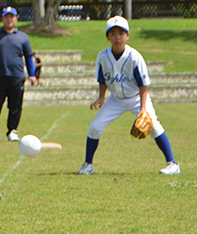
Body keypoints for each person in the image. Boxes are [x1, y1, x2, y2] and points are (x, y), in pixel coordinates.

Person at [77, 16, 180, 175]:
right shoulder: (102, 57)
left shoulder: (134, 57)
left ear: (127, 36)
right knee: (94, 128)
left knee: (154, 126)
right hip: (115, 100)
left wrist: (143, 109)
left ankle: (172, 163)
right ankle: (88, 165)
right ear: (107, 37)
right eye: (113, 33)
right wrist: (101, 97)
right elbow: (102, 79)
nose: (117, 37)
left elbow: (143, 85)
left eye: (121, 33)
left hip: (136, 98)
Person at [0, 6, 37, 143]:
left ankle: (12, 130)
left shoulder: (23, 37)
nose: (9, 19)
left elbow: (28, 57)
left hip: (17, 77)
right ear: (2, 19)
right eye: (6, 17)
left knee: (15, 106)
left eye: (12, 17)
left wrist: (32, 74)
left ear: (16, 19)